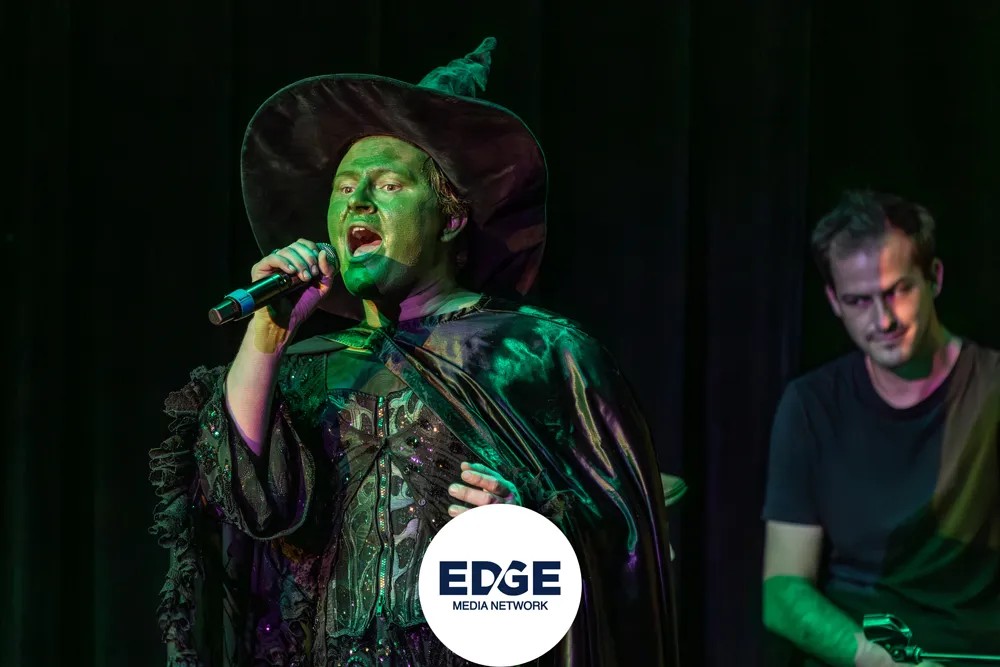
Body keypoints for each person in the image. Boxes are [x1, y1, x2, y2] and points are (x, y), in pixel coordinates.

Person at [148, 37, 679, 667]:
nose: (357, 201)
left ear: (450, 218)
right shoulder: (309, 364)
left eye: (389, 184)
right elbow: (240, 499)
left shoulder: (538, 352)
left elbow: (626, 544)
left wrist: (526, 527)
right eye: (345, 188)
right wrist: (267, 332)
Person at [761, 190, 1000, 667]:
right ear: (834, 302)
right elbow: (783, 592)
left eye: (897, 291)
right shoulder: (811, 405)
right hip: (860, 655)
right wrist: (882, 662)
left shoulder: (992, 390)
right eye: (858, 301)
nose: (883, 319)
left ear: (934, 278)